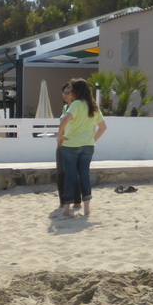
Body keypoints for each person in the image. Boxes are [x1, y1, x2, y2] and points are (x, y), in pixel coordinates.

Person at [57, 78, 107, 218]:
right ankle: (87, 209)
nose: (70, 93)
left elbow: (65, 119)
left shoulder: (77, 104)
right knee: (84, 176)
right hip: (88, 146)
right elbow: (103, 127)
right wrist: (92, 140)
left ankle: (67, 209)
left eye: (71, 90)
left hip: (71, 145)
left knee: (70, 176)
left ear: (76, 91)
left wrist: (59, 136)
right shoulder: (93, 106)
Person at [56, 83, 82, 210]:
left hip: (73, 144)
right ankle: (63, 200)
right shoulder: (65, 108)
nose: (65, 95)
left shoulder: (79, 107)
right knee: (60, 173)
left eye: (68, 92)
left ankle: (77, 201)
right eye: (64, 92)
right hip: (62, 143)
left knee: (73, 173)